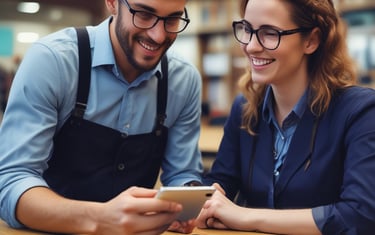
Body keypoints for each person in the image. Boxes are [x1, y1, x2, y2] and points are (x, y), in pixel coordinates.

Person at [0, 0, 203, 234]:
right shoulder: (53, 61)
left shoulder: (184, 81)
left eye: (172, 19)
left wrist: (191, 199)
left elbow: (182, 174)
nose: (158, 36)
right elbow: (12, 181)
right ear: (112, 3)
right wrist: (100, 219)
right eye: (144, 14)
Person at [196, 0, 375, 234]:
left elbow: (359, 216)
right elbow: (220, 185)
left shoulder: (360, 111)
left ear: (311, 40)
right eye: (247, 30)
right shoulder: (245, 109)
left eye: (270, 33)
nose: (251, 46)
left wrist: (245, 215)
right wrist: (196, 205)